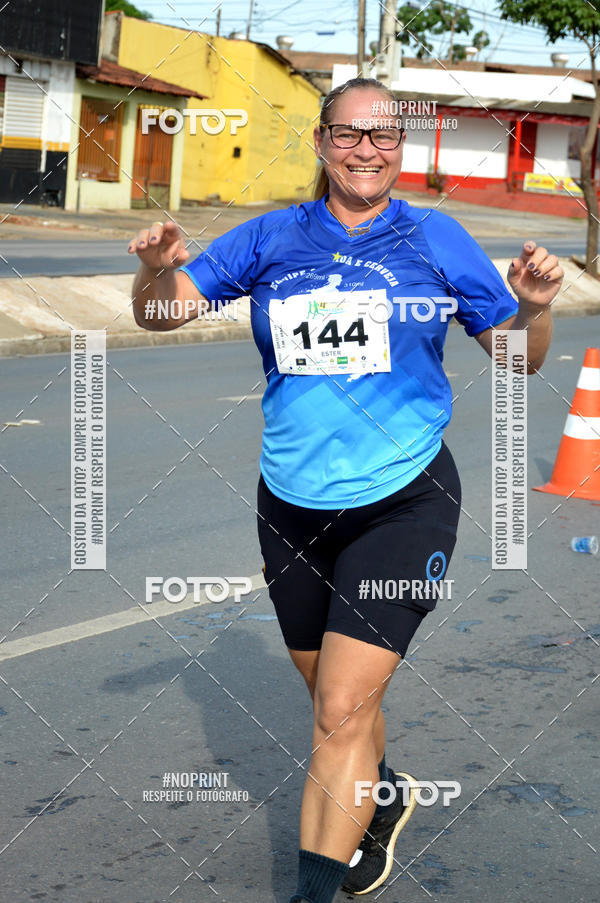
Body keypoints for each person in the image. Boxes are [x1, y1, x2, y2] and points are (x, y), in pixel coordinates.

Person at [129, 77, 562, 903]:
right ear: (322, 142)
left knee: (337, 709)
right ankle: (382, 789)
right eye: (350, 135)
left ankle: (311, 892)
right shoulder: (270, 238)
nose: (368, 149)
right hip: (291, 503)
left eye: (385, 136)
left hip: (404, 498)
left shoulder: (436, 239)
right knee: (341, 703)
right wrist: (155, 274)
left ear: (404, 146)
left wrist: (533, 310)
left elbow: (518, 360)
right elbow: (163, 315)